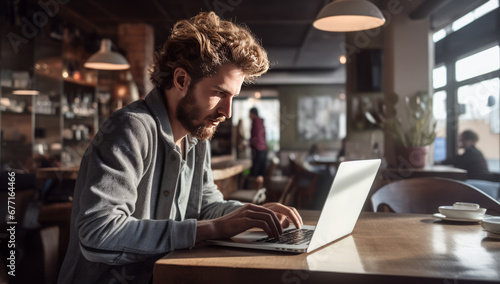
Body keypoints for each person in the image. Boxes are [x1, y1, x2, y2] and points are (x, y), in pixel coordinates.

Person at [58, 12, 302, 284]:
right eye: (220, 93)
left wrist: (249, 215)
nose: (227, 111)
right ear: (182, 80)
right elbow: (98, 235)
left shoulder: (197, 136)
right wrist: (211, 229)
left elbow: (206, 206)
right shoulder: (130, 128)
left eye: (232, 97)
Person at [249, 107, 268, 177]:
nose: (249, 116)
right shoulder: (260, 122)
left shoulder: (256, 123)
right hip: (263, 150)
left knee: (255, 173)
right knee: (261, 173)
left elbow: (256, 138)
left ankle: (253, 188)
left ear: (253, 114)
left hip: (258, 150)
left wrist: (250, 143)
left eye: (250, 114)